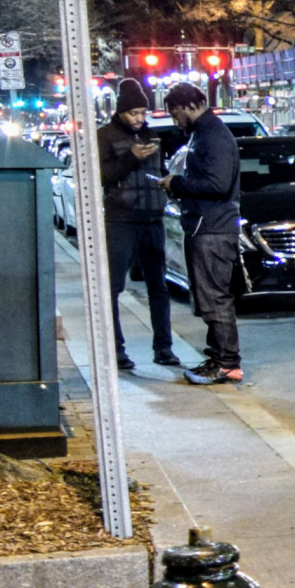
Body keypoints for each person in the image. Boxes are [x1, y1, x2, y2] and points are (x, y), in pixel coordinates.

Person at [93, 78, 178, 371]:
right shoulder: (104, 136)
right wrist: (131, 157)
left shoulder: (152, 135)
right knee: (114, 287)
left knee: (159, 287)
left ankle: (164, 348)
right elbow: (101, 176)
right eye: (134, 113)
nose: (140, 119)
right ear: (120, 112)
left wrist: (167, 184)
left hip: (152, 218)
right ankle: (116, 351)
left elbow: (161, 170)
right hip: (121, 220)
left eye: (143, 113)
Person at [162, 82, 243, 384]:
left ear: (189, 106)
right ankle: (218, 358)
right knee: (208, 296)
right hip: (205, 225)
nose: (174, 120)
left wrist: (176, 184)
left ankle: (226, 363)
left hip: (211, 227)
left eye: (175, 113)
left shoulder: (212, 136)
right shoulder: (203, 135)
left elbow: (216, 185)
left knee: (214, 297)